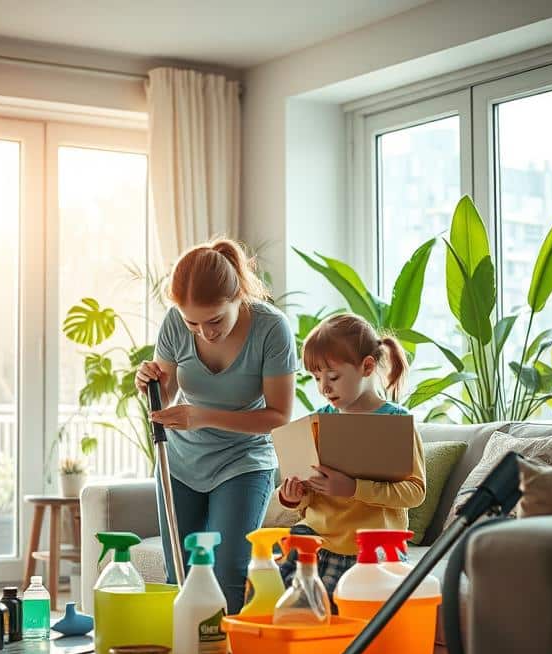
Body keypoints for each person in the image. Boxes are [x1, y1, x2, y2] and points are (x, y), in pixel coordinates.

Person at [135, 238, 296, 613]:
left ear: (238, 294)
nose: (205, 333)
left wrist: (203, 416)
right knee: (181, 573)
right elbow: (168, 392)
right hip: (180, 463)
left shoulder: (272, 330)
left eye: (215, 321)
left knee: (227, 571)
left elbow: (278, 416)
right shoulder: (175, 324)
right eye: (193, 323)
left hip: (243, 462)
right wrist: (149, 384)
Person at [277, 314, 426, 598]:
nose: (324, 387)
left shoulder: (396, 424)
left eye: (333, 377)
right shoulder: (317, 424)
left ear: (367, 367)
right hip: (316, 539)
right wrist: (295, 496)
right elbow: (311, 494)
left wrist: (354, 488)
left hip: (373, 548)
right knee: (272, 584)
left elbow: (415, 492)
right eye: (316, 378)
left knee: (348, 615)